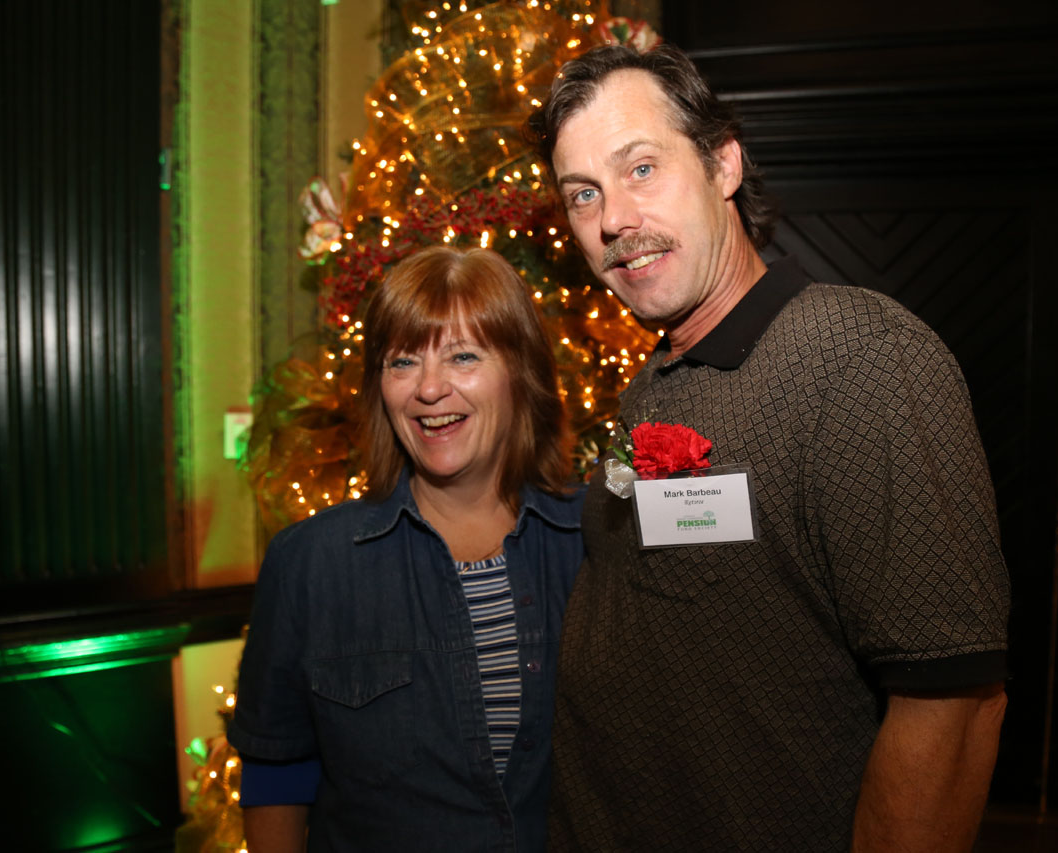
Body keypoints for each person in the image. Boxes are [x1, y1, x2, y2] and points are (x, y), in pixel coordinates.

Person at [525, 44, 1011, 851]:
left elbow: (953, 701)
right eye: (584, 193)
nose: (613, 219)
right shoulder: (656, 381)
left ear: (723, 163)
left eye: (640, 168)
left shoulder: (860, 357)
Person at [227, 246, 585, 851]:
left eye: (463, 356)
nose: (428, 389)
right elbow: (276, 772)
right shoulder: (310, 564)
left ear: (519, 373)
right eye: (402, 362)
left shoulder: (593, 544)